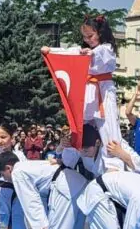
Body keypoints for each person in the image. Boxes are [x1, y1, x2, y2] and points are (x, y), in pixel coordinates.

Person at [42, 15, 123, 171]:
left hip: (103, 92)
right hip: (86, 93)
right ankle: (67, 160)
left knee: (109, 127)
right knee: (78, 128)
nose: (87, 40)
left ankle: (114, 165)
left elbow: (101, 52)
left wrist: (91, 53)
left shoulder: (107, 48)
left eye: (90, 36)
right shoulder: (83, 50)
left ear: (100, 33)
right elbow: (69, 52)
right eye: (85, 37)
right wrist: (51, 51)